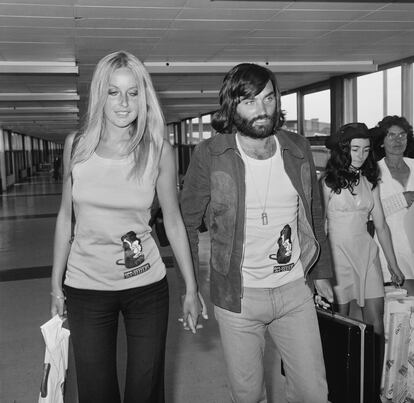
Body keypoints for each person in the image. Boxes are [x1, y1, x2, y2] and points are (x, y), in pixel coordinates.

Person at [50, 50, 201, 403]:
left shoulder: (158, 150)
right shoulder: (77, 146)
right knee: (96, 390)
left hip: (146, 287)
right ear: (100, 94)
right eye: (113, 92)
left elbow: (174, 222)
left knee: (145, 389)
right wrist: (56, 285)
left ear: (143, 97)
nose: (123, 103)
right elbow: (64, 217)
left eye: (133, 93)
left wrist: (191, 288)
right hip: (86, 287)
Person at [180, 63, 333, 403]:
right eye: (249, 101)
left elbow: (314, 213)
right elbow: (186, 222)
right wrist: (190, 288)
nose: (262, 110)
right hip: (239, 296)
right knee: (248, 395)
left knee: (313, 393)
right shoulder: (211, 154)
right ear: (231, 105)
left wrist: (321, 272)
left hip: (294, 290)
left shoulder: (297, 148)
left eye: (268, 98)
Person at [322, 122, 405, 399]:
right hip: (336, 258)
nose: (360, 155)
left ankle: (371, 387)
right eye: (355, 149)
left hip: (366, 254)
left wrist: (392, 264)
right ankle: (339, 389)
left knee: (376, 325)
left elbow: (381, 226)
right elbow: (317, 227)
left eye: (366, 150)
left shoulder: (371, 181)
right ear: (344, 151)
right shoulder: (326, 182)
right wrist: (317, 273)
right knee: (341, 325)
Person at [372, 116, 414, 296]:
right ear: (382, 141)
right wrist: (402, 199)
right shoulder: (372, 171)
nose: (397, 140)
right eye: (391, 135)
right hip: (390, 249)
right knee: (402, 311)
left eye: (402, 135)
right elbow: (367, 213)